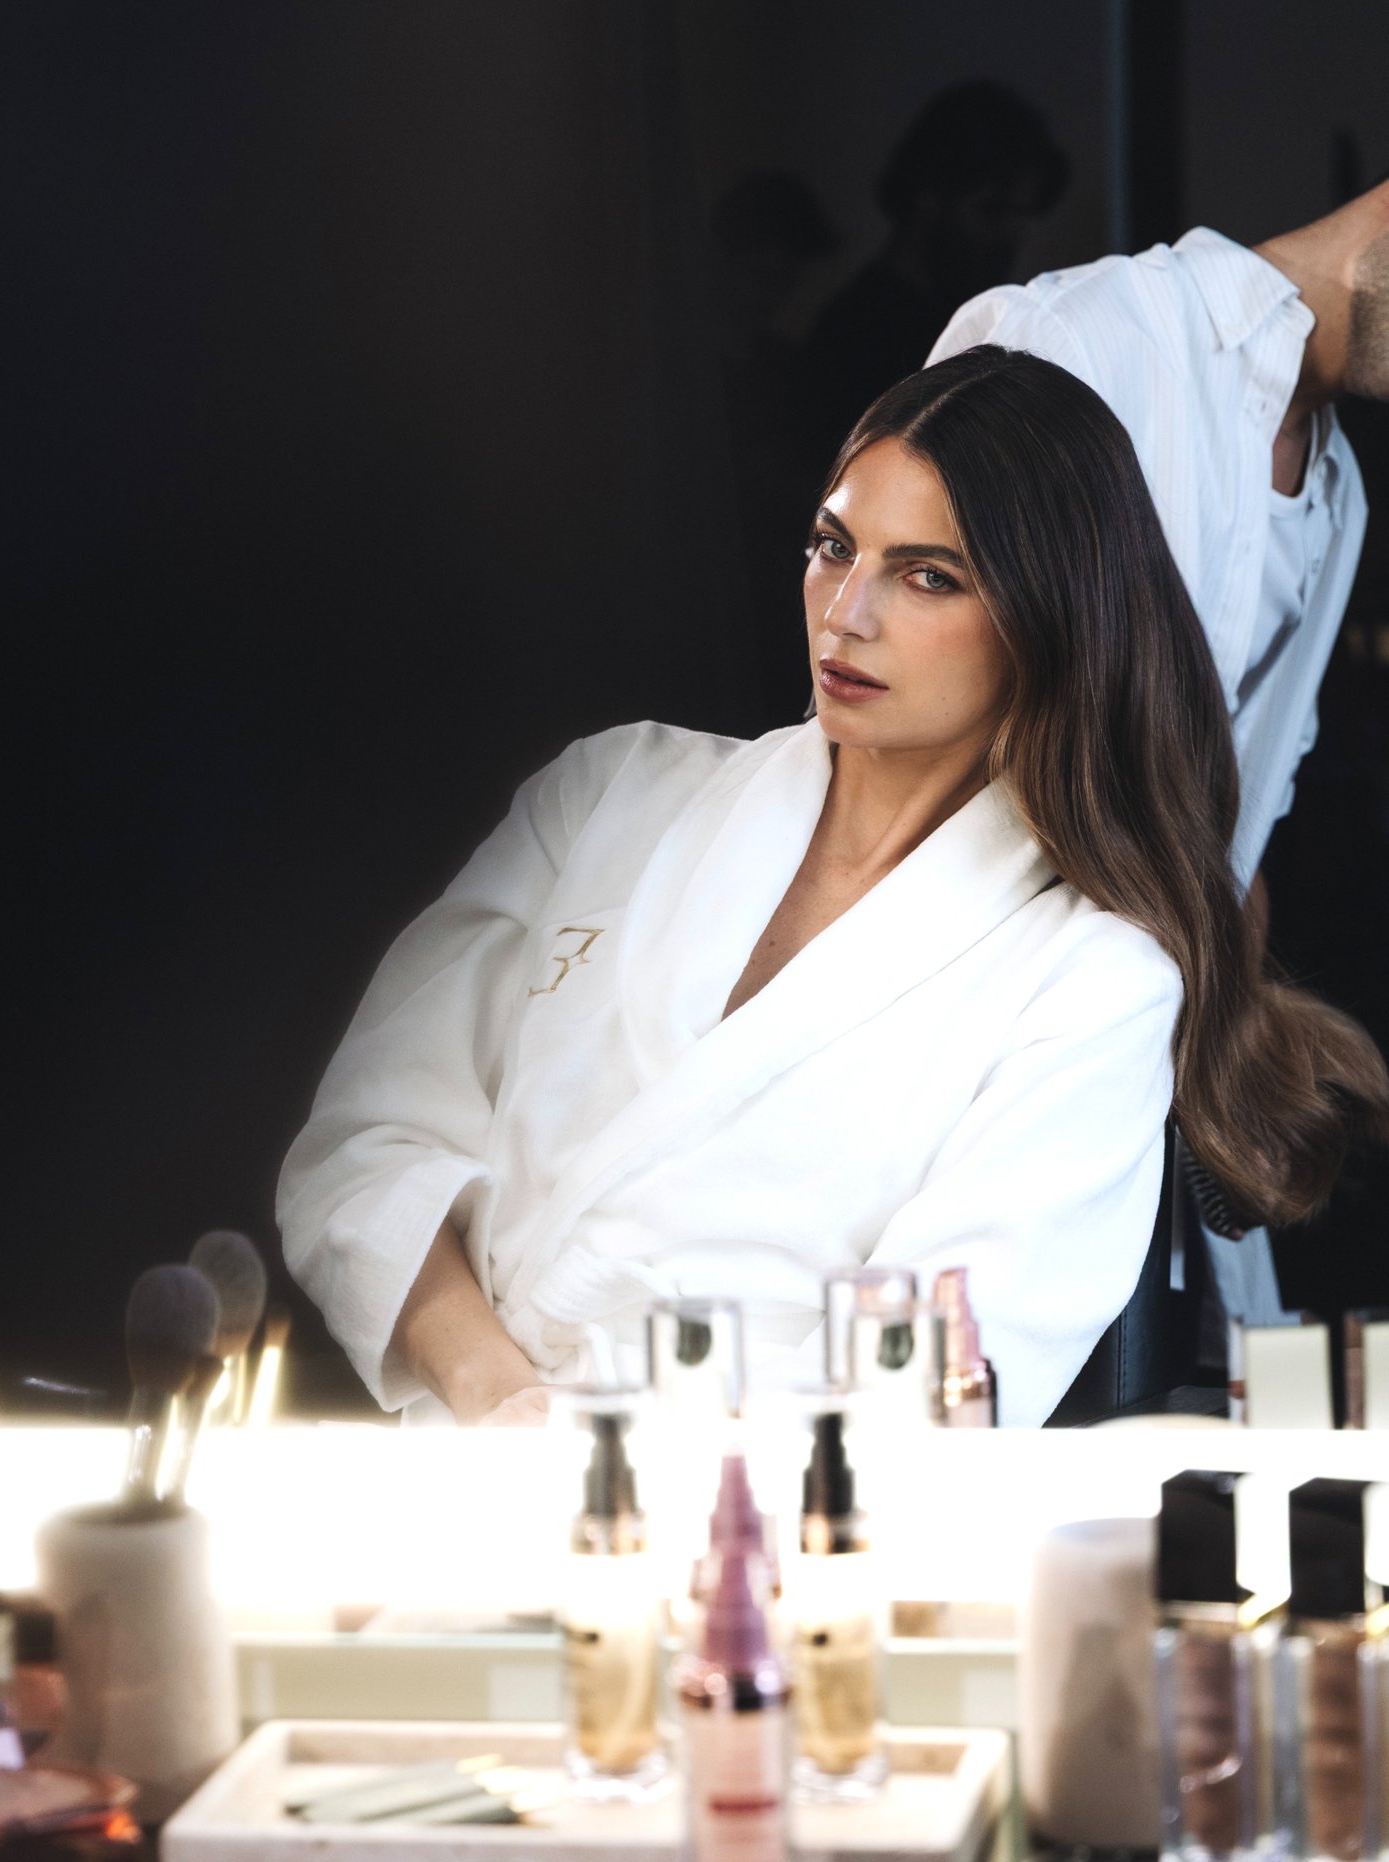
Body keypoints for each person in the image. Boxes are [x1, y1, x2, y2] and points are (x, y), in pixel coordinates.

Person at [277, 349, 1389, 1429]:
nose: (845, 614)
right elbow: (365, 1146)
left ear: (1053, 619)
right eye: (831, 546)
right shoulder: (610, 790)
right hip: (464, 1459)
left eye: (927, 576)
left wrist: (617, 1478)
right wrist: (500, 1401)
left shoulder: (1091, 981)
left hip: (764, 1548)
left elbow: (924, 1391)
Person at [927, 181, 1389, 1322]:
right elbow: (921, 719)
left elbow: (1237, 816)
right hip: (985, 1056)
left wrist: (1238, 1031)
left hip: (1156, 1088)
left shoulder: (1337, 494)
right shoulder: (1080, 339)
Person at [803, 82, 1069, 468]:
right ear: (928, 197)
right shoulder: (858, 335)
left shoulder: (983, 318)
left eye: (1023, 216)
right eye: (992, 211)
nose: (1011, 238)